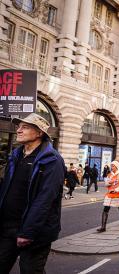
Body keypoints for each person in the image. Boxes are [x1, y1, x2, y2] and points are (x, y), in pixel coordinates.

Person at [0, 113, 66, 273]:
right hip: (6, 227)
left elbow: (45, 199)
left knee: (30, 270)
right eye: (18, 127)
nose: (18, 130)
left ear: (39, 133)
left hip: (34, 232)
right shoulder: (15, 155)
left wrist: (28, 232)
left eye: (25, 127)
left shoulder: (52, 160)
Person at [97, 160, 119, 232]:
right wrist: (109, 183)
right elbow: (106, 184)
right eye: (111, 166)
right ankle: (103, 227)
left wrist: (116, 190)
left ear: (116, 166)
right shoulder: (109, 174)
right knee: (106, 208)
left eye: (113, 166)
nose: (111, 167)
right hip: (109, 194)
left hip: (117, 194)